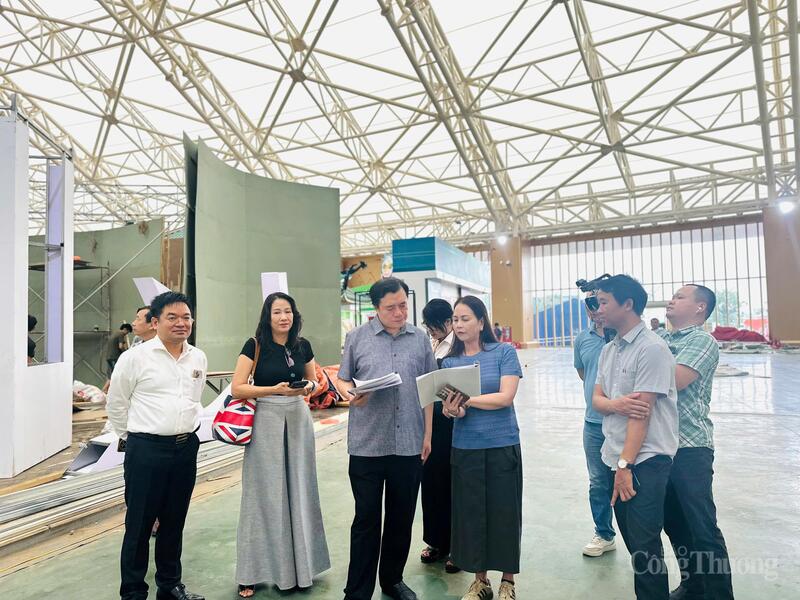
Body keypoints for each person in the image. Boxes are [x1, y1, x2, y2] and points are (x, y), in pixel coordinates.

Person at [336, 277, 436, 600]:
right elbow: (342, 379)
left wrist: (428, 434)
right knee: (366, 518)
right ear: (376, 308)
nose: (399, 312)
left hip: (408, 442)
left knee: (401, 517)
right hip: (367, 444)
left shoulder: (420, 339)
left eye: (403, 305)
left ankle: (392, 580)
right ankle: (357, 590)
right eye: (391, 307)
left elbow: (429, 389)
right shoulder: (357, 338)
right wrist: (350, 393)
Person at [106, 292, 207, 600]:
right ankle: (133, 592)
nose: (181, 323)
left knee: (174, 521)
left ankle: (170, 585)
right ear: (155, 322)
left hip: (185, 448)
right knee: (139, 524)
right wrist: (134, 438)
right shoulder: (135, 358)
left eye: (186, 317)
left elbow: (194, 399)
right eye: (172, 317)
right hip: (146, 450)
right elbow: (116, 403)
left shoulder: (197, 357)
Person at [232, 292, 330, 598]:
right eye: (277, 312)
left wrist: (307, 387)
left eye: (287, 311)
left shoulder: (303, 345)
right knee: (262, 495)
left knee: (301, 490)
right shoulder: (254, 345)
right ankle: (250, 572)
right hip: (266, 419)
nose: (283, 317)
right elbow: (237, 388)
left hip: (298, 419)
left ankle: (302, 568)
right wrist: (271, 389)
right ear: (268, 316)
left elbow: (315, 382)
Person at [592, 275, 678, 600]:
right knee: (634, 544)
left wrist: (625, 466)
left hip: (644, 461)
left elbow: (641, 415)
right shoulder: (609, 349)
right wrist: (616, 405)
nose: (598, 309)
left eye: (604, 302)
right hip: (615, 457)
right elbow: (597, 401)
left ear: (627, 304)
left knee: (645, 549)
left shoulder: (651, 348)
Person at [441, 296, 523, 600]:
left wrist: (468, 400)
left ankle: (508, 582)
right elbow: (457, 411)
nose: (459, 325)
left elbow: (505, 397)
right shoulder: (449, 363)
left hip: (502, 444)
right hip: (466, 447)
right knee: (472, 513)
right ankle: (480, 582)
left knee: (505, 512)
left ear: (480, 321)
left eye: (465, 319)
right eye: (455, 319)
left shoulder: (504, 352)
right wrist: (453, 409)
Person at [664, 285, 734, 600]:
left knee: (702, 526)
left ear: (700, 307)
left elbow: (675, 380)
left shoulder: (701, 341)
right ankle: (693, 586)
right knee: (674, 523)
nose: (671, 300)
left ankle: (719, 594)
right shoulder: (661, 339)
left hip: (691, 446)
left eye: (680, 297)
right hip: (659, 446)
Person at [574, 291, 617, 557]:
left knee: (630, 480)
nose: (594, 309)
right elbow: (584, 373)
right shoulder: (582, 339)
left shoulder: (624, 335)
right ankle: (604, 534)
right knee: (598, 482)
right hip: (593, 423)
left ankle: (640, 536)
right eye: (590, 304)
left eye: (600, 302)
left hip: (624, 421)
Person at [419, 299, 459, 573]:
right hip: (429, 421)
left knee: (453, 484)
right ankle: (435, 541)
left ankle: (457, 546)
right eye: (428, 326)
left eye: (434, 326)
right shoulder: (430, 344)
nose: (431, 331)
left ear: (447, 322)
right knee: (431, 480)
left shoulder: (457, 346)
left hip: (452, 421)